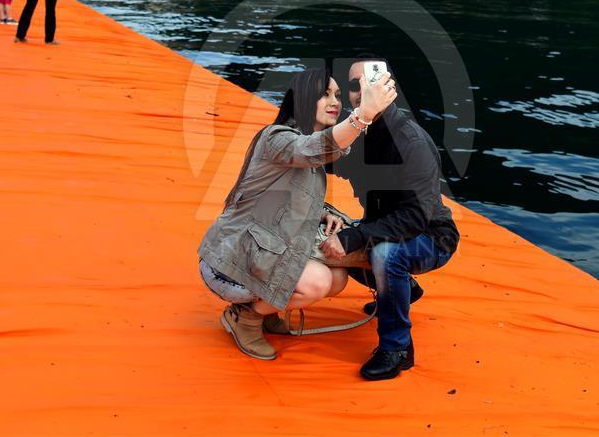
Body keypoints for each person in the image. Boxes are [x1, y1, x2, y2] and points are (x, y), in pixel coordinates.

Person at [197, 67, 397, 360]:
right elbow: (318, 146)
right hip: (228, 263)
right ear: (303, 99)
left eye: (338, 95)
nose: (335, 102)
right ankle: (245, 318)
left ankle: (266, 310)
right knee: (317, 281)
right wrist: (362, 116)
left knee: (338, 277)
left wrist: (324, 213)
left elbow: (286, 196)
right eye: (324, 95)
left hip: (259, 254)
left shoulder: (309, 149)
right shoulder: (277, 138)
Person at [324, 57, 459, 380]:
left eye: (368, 82)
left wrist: (354, 237)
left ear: (387, 89)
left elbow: (414, 218)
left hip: (430, 237)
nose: (359, 91)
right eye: (353, 86)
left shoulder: (412, 143)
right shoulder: (361, 133)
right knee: (327, 236)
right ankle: (403, 290)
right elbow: (329, 162)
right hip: (385, 228)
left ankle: (397, 349)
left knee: (384, 253)